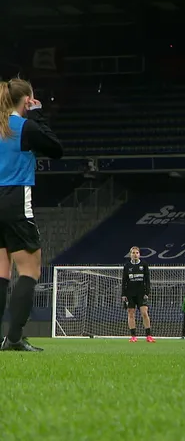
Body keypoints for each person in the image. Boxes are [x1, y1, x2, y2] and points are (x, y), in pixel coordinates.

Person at [0, 78, 63, 352]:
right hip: (14, 200)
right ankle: (14, 338)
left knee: (1, 272)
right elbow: (55, 148)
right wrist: (39, 114)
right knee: (30, 270)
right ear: (27, 100)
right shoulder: (24, 127)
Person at [121, 246, 155, 343]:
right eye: (133, 253)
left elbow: (147, 280)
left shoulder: (144, 264)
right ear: (130, 255)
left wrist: (147, 292)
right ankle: (133, 336)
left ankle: (148, 336)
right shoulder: (127, 266)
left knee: (144, 313)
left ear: (139, 254)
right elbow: (124, 281)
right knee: (131, 313)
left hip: (141, 293)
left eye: (136, 253)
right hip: (130, 293)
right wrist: (123, 294)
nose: (135, 254)